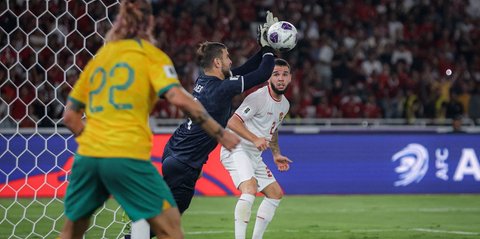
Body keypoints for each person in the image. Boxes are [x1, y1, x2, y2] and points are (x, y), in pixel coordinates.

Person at [59, 1, 239, 238]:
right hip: (126, 155)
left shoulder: (102, 57)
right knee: (171, 227)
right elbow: (181, 99)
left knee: (72, 231)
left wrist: (95, 143)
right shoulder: (151, 56)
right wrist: (221, 133)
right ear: (150, 23)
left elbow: (70, 117)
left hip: (88, 157)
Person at [128, 11, 279, 239]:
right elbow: (263, 74)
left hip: (176, 152)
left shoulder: (205, 80)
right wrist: (270, 47)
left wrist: (263, 46)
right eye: (227, 57)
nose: (231, 61)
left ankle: (136, 231)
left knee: (164, 214)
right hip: (183, 160)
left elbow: (247, 70)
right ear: (218, 62)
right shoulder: (221, 89)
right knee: (168, 221)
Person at [220, 58, 292, 239]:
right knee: (250, 188)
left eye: (285, 74)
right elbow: (232, 122)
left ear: (290, 78)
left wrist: (276, 154)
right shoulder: (258, 97)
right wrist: (254, 138)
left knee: (275, 194)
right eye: (276, 74)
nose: (281, 79)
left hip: (254, 155)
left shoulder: (285, 104)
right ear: (269, 77)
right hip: (235, 148)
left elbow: (272, 130)